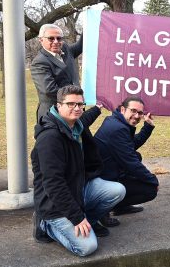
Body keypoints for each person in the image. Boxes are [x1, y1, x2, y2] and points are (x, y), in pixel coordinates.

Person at [31, 85, 126, 256]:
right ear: (59, 106)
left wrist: (97, 108)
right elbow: (53, 184)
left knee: (117, 190)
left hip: (77, 189)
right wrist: (76, 217)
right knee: (87, 247)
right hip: (54, 203)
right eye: (71, 104)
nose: (77, 108)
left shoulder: (76, 126)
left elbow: (86, 117)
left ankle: (87, 220)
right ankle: (46, 225)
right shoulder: (50, 138)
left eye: (80, 104)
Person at [94, 96, 159, 227]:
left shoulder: (116, 121)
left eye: (140, 113)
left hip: (107, 171)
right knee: (150, 190)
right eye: (133, 111)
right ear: (123, 109)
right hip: (102, 180)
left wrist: (147, 126)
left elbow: (130, 145)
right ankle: (104, 209)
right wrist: (153, 180)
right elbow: (131, 163)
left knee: (137, 156)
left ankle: (120, 207)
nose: (137, 116)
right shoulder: (117, 128)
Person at [31, 23, 83, 122]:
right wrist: (75, 98)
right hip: (54, 114)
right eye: (51, 38)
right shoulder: (39, 62)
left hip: (74, 110)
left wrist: (90, 22)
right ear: (41, 40)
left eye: (59, 38)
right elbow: (49, 90)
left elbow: (81, 45)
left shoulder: (65, 50)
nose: (56, 42)